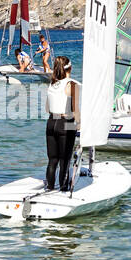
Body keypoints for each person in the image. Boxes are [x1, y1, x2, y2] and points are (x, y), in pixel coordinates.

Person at [44, 56, 80, 192]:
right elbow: (75, 110)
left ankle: (50, 187)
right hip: (66, 123)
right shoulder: (72, 84)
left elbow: (47, 109)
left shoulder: (51, 83)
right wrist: (80, 126)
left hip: (51, 122)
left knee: (52, 160)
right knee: (65, 160)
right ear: (70, 68)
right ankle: (64, 189)